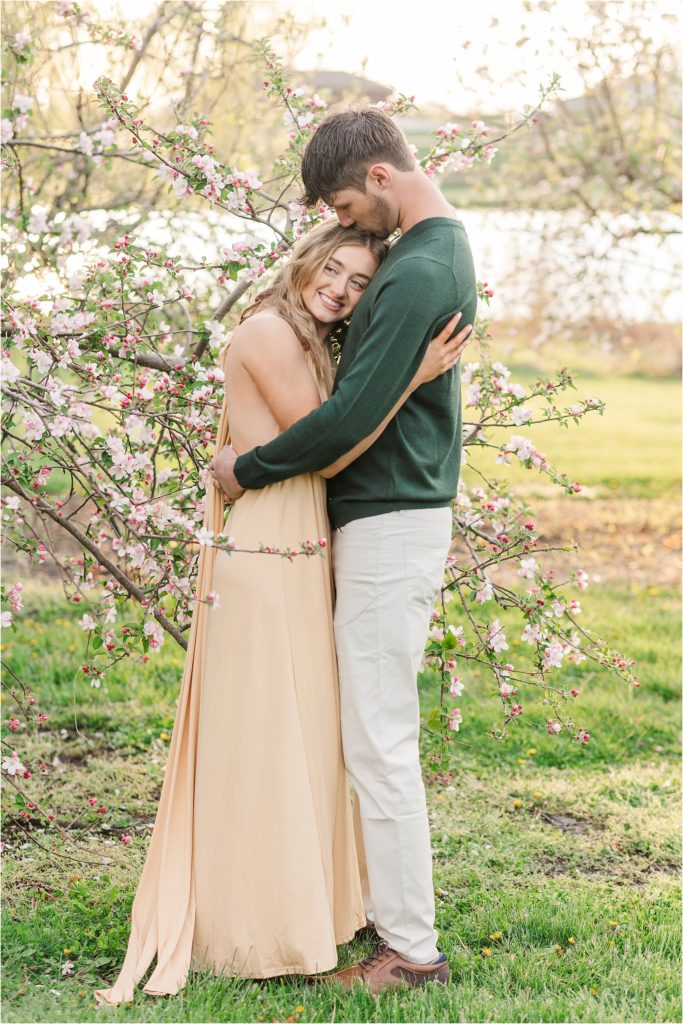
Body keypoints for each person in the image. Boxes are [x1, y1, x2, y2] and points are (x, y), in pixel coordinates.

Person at [94, 219, 471, 1004]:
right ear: (305, 262)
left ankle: (310, 903)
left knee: (303, 730)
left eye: (359, 283)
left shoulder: (309, 342)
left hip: (299, 543)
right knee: (266, 732)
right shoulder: (268, 330)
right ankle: (252, 919)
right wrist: (410, 376)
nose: (338, 289)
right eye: (331, 270)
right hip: (268, 549)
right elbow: (328, 445)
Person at [210, 108, 478, 995]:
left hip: (392, 520)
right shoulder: (419, 257)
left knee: (378, 740)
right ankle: (381, 917)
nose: (344, 225)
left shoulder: (416, 269)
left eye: (342, 205)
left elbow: (348, 421)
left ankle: (411, 952)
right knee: (370, 731)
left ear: (378, 179)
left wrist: (247, 467)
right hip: (384, 519)